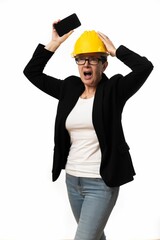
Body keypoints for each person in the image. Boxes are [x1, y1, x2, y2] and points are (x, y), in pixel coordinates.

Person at [23, 20, 153, 240]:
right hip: (73, 180)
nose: (86, 64)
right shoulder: (69, 88)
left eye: (93, 59)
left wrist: (115, 51)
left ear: (104, 65)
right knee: (95, 237)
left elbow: (145, 67)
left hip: (101, 183)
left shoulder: (114, 90)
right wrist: (53, 43)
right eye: (81, 59)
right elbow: (32, 73)